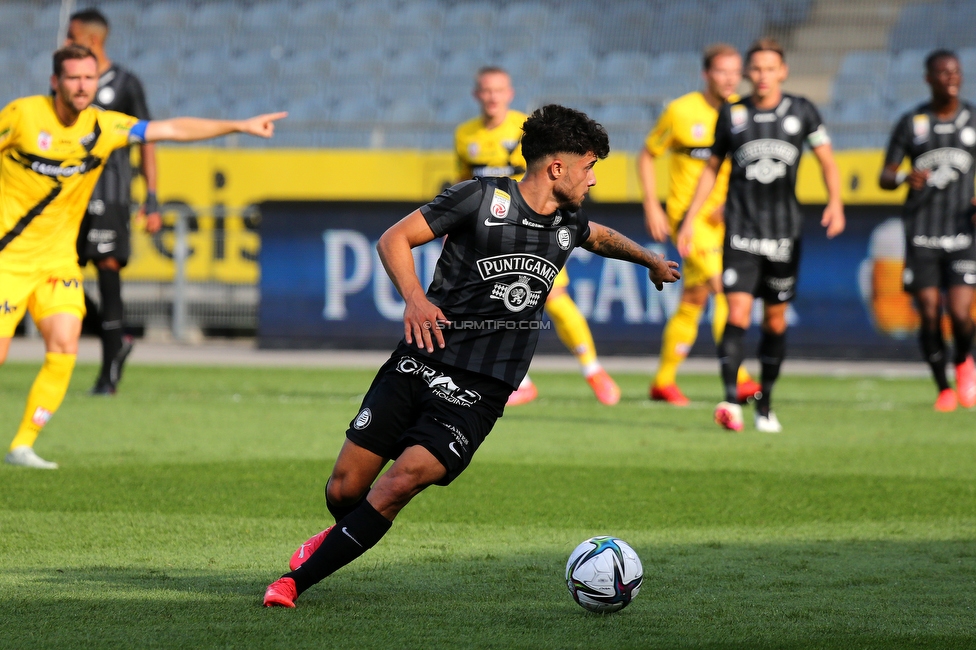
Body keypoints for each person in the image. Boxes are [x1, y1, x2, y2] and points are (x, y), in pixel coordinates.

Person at [264, 104, 680, 607]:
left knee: (402, 481)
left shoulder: (568, 223)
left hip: (481, 388)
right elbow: (394, 238)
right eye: (589, 166)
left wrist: (652, 260)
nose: (592, 180)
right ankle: (336, 538)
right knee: (344, 491)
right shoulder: (479, 197)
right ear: (556, 168)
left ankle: (293, 583)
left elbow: (601, 237)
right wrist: (416, 299)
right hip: (419, 360)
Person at [0, 44, 285, 469]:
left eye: (89, 78)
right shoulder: (22, 116)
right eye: (73, 78)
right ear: (54, 82)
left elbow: (171, 130)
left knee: (65, 344)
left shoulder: (105, 126)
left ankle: (22, 444)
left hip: (57, 261)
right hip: (7, 260)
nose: (82, 87)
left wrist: (238, 125)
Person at [678, 38, 845, 433]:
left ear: (783, 72)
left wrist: (835, 201)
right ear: (747, 74)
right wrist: (690, 218)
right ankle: (730, 399)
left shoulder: (802, 111)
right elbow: (710, 169)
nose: (762, 76)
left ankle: (765, 402)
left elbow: (826, 159)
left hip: (784, 234)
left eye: (770, 69)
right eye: (756, 69)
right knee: (736, 312)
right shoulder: (732, 115)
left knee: (774, 321)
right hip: (741, 231)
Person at [455, 66, 621, 406]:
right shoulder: (465, 135)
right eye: (486, 91)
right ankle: (521, 381)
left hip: (534, 225)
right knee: (494, 300)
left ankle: (593, 370)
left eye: (498, 90)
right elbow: (466, 183)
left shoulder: (525, 129)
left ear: (509, 93)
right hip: (491, 230)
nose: (492, 97)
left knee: (556, 299)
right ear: (476, 95)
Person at [639, 43, 761, 406]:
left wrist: (735, 202)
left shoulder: (743, 113)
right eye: (721, 71)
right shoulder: (680, 111)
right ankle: (738, 375)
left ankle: (663, 381)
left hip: (731, 218)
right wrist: (652, 205)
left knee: (693, 299)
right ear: (706, 74)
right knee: (724, 286)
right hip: (688, 219)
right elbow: (647, 155)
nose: (729, 79)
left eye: (735, 72)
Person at [65, 8, 160, 395]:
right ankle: (116, 339)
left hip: (112, 191)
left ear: (91, 40)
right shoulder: (67, 83)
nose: (65, 43)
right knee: (60, 271)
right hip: (71, 189)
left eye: (71, 36)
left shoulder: (125, 83)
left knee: (107, 272)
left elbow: (148, 138)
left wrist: (151, 198)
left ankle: (108, 374)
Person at [879, 49, 976, 412]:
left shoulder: (973, 120)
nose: (951, 78)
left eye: (956, 72)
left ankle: (964, 361)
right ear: (928, 78)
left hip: (963, 233)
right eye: (943, 73)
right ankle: (943, 387)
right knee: (931, 311)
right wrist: (905, 176)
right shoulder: (912, 123)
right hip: (921, 232)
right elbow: (885, 176)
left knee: (963, 312)